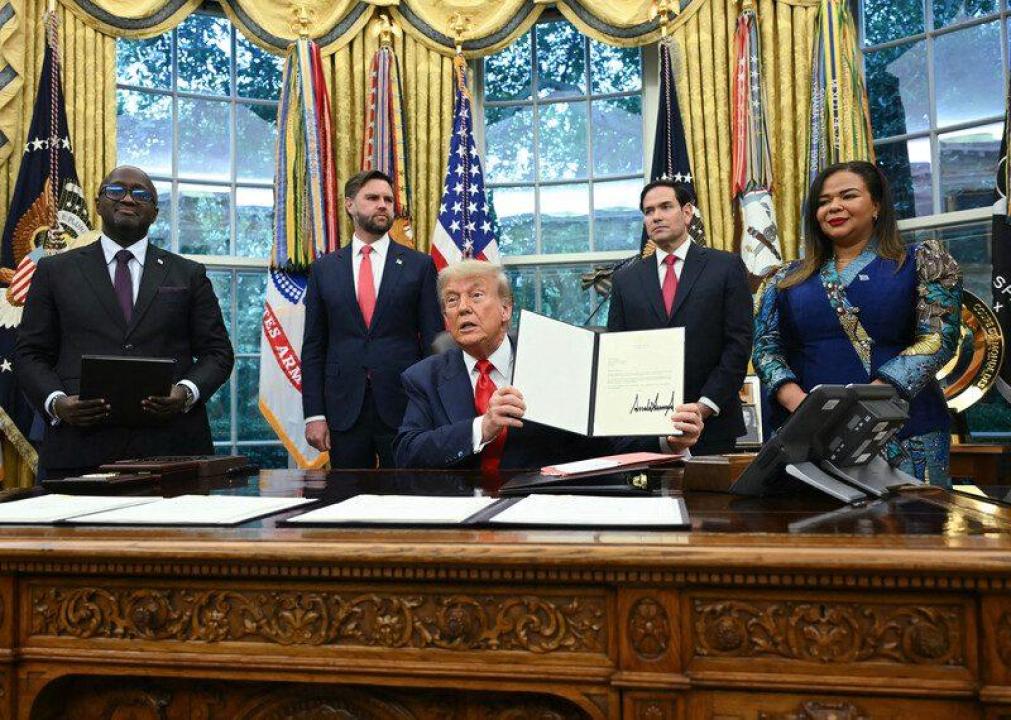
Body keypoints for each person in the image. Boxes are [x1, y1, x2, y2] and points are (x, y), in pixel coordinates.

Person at [15, 165, 234, 478]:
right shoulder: (54, 271)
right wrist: (57, 402)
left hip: (172, 449)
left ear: (155, 212)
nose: (128, 199)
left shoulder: (189, 274)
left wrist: (185, 392)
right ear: (98, 203)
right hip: (78, 448)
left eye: (141, 194)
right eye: (116, 190)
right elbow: (29, 353)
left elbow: (218, 353)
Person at [753, 160, 961, 486]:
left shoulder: (923, 260)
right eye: (823, 201)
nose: (834, 207)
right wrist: (801, 405)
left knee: (912, 517)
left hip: (904, 429)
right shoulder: (783, 278)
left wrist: (868, 401)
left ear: (876, 205)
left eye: (848, 196)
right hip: (809, 431)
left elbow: (938, 338)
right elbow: (766, 348)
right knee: (808, 518)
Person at [394, 260, 701, 471]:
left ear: (505, 309)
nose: (463, 308)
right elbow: (407, 453)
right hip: (459, 512)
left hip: (541, 506)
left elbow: (605, 438)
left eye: (476, 295)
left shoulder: (556, 360)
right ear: (446, 320)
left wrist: (668, 439)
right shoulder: (423, 377)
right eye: (451, 300)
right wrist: (482, 428)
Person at [302, 170, 442, 468]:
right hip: (343, 407)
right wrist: (314, 413)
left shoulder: (419, 265)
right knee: (347, 494)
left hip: (405, 406)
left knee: (407, 491)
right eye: (373, 198)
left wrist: (433, 406)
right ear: (350, 204)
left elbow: (434, 342)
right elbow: (314, 347)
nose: (383, 205)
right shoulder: (324, 269)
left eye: (388, 200)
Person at [607, 180, 753, 455]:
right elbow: (618, 351)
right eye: (649, 211)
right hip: (645, 429)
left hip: (713, 426)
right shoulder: (625, 279)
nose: (656, 217)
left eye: (665, 207)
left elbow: (739, 344)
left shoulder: (725, 266)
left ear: (687, 213)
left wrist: (703, 407)